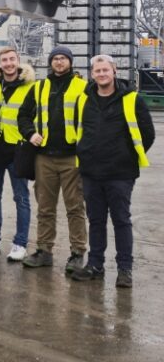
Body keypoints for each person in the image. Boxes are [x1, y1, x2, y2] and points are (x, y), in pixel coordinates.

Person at [71, 55, 155, 288]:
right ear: (92, 74)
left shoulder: (132, 99)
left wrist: (127, 156)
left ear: (114, 71)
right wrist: (84, 152)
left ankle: (124, 269)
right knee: (96, 221)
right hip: (91, 172)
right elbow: (79, 128)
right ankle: (95, 265)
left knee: (121, 220)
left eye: (105, 70)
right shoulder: (83, 99)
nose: (101, 74)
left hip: (120, 173)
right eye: (97, 71)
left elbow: (148, 133)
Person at [18, 46, 88, 272]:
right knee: (45, 207)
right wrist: (30, 133)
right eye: (55, 58)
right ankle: (44, 250)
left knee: (75, 207)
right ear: (50, 62)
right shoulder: (39, 87)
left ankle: (78, 253)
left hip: (72, 157)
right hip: (44, 157)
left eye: (63, 58)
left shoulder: (83, 87)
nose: (59, 62)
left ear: (70, 62)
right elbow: (23, 115)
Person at [0, 47, 35, 261]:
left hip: (18, 149)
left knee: (21, 198)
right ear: (0, 63)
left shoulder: (31, 87)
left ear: (18, 61)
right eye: (4, 60)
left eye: (12, 59)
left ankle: (20, 243)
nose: (9, 63)